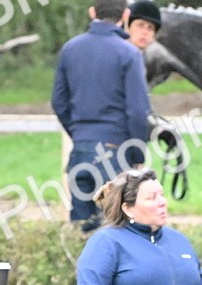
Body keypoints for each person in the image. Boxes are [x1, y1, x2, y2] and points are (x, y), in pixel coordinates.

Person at [52, 0, 152, 232]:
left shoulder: (70, 49)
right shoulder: (129, 53)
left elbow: (58, 101)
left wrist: (80, 134)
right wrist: (137, 152)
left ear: (92, 12)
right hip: (115, 152)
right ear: (125, 15)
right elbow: (137, 111)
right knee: (119, 230)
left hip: (80, 151)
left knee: (83, 229)